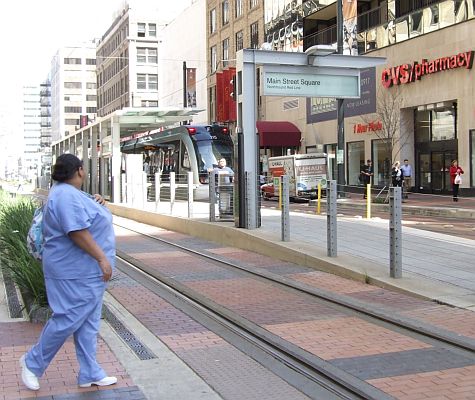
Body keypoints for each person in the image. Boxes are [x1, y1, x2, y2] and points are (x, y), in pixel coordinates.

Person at [19, 154, 117, 391]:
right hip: (73, 270)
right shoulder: (65, 195)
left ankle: (89, 371)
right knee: (68, 317)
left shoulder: (71, 193)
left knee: (88, 322)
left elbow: (86, 218)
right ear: (80, 171)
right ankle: (32, 363)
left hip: (85, 271)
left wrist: (97, 201)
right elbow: (76, 231)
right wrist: (102, 258)